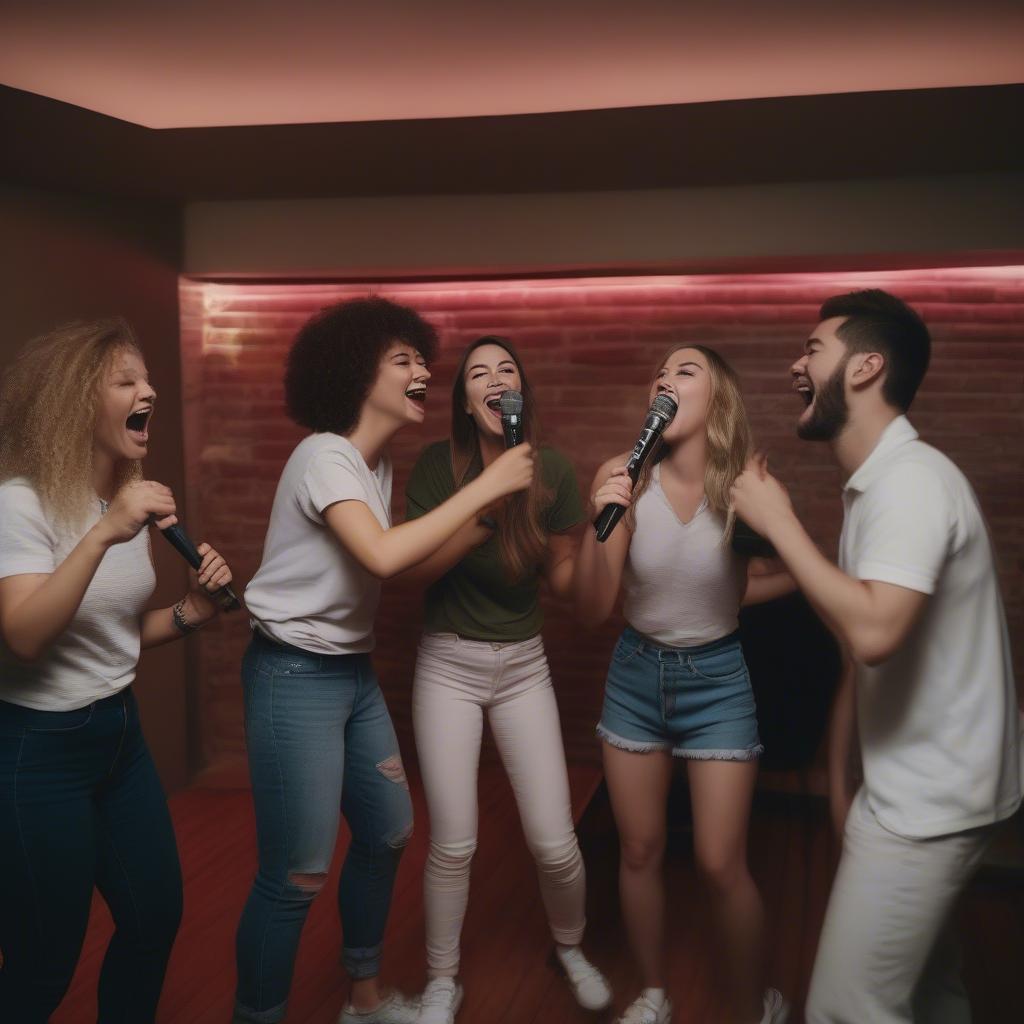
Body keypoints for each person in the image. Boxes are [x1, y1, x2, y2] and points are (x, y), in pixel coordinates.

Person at [730, 288, 1023, 1023]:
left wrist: (778, 520)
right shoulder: (875, 487)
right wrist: (844, 781)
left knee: (844, 1007)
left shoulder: (912, 482)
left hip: (933, 799)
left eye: (812, 349)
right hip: (914, 788)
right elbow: (864, 654)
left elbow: (873, 633)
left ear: (865, 367)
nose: (797, 365)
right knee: (929, 986)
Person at [236, 302, 534, 1024]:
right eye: (402, 360)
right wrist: (486, 487)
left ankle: (363, 1001)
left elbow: (394, 565)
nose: (422, 371)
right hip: (293, 675)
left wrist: (484, 525)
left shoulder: (375, 461)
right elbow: (381, 553)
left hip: (351, 673)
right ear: (354, 371)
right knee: (297, 872)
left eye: (420, 360)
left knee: (390, 828)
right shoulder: (324, 455)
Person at [0, 318, 233, 1022]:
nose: (149, 390)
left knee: (154, 919)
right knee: (45, 962)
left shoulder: (126, 498)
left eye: (148, 379)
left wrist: (193, 610)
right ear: (76, 403)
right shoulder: (22, 502)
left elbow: (112, 635)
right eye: (126, 381)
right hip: (38, 751)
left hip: (119, 738)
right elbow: (25, 636)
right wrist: (105, 532)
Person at [574, 344, 792, 1024]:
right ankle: (654, 994)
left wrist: (726, 603)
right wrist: (597, 519)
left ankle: (755, 1005)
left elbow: (775, 573)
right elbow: (590, 606)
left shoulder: (744, 486)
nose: (665, 380)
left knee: (720, 862)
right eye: (660, 374)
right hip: (635, 675)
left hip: (718, 681)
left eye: (684, 371)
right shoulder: (625, 478)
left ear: (718, 399)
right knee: (639, 849)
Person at [402, 336, 612, 1024]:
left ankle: (571, 948)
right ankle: (442, 981)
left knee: (554, 841)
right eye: (479, 374)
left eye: (508, 370)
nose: (496, 380)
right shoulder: (440, 465)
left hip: (524, 668)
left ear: (522, 393)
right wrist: (488, 507)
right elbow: (414, 572)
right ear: (464, 400)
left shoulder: (550, 468)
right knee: (455, 841)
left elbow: (562, 584)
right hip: (448, 666)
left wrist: (606, 541)